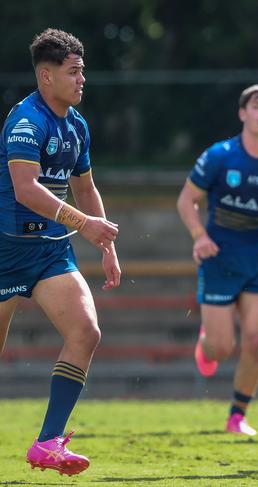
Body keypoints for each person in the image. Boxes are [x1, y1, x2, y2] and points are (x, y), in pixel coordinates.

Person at [0, 29, 121, 476]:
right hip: (6, 250)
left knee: (86, 332)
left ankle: (47, 442)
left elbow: (85, 187)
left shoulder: (76, 125)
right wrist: (85, 225)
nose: (82, 79)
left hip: (50, 252)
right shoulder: (26, 121)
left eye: (83, 71)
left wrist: (105, 244)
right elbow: (25, 189)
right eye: (74, 72)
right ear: (46, 77)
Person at [177, 84, 258, 437]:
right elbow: (187, 201)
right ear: (243, 114)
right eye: (257, 106)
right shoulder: (220, 156)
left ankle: (237, 415)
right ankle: (207, 341)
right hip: (218, 260)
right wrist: (199, 236)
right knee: (222, 347)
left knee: (255, 338)